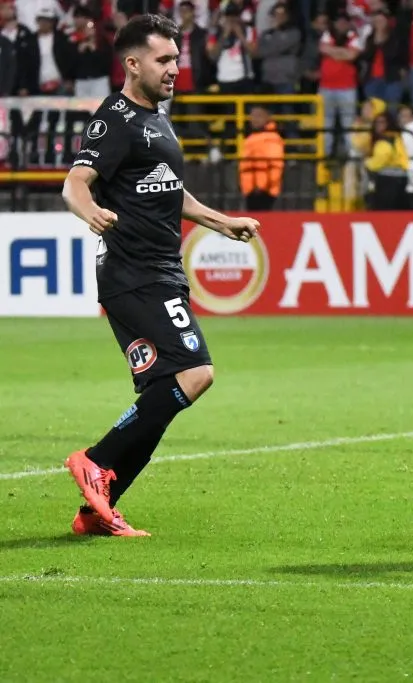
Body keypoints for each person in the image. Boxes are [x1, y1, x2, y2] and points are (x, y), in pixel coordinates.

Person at [61, 14, 260, 537]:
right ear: (132, 63)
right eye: (163, 59)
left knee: (163, 394)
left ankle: (98, 507)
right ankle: (96, 460)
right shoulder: (118, 117)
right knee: (195, 374)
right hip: (135, 271)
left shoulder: (157, 118)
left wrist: (221, 222)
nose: (174, 68)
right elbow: (75, 183)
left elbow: (170, 189)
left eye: (176, 58)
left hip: (157, 270)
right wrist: (90, 212)